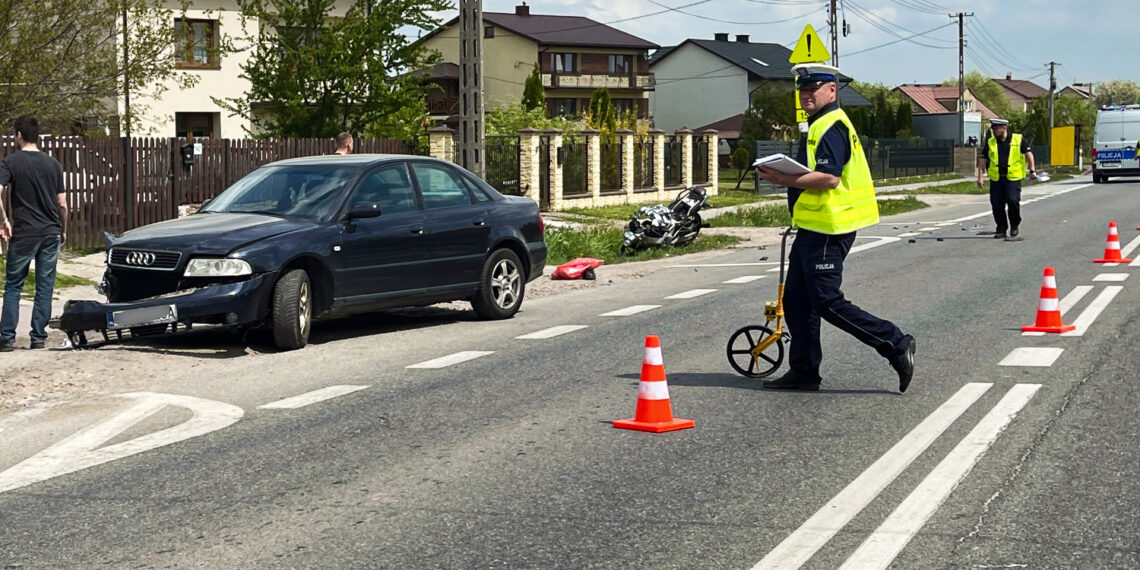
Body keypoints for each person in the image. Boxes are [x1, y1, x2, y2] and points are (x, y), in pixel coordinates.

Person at [754, 64, 915, 393]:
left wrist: (783, 178)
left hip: (830, 226)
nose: (807, 94)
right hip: (813, 226)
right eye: (803, 90)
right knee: (798, 302)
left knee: (826, 302)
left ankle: (895, 344)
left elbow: (830, 177)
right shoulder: (817, 125)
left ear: (832, 90)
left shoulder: (831, 124)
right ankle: (804, 371)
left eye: (814, 89)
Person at [0, 115, 67, 351]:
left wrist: (5, 220)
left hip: (25, 231)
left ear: (18, 135)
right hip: (50, 231)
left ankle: (7, 338)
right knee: (45, 285)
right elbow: (62, 203)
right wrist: (63, 229)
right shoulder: (53, 165)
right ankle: (38, 336)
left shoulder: (11, 162)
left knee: (14, 285)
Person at [977, 118, 1036, 239]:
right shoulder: (991, 142)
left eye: (996, 129)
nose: (994, 132)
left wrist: (1032, 170)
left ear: (1004, 128)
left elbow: (1029, 154)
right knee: (997, 204)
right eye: (993, 129)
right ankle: (1001, 229)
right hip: (996, 179)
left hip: (1013, 178)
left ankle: (1014, 224)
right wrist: (980, 176)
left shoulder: (1017, 139)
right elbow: (983, 159)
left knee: (1013, 201)